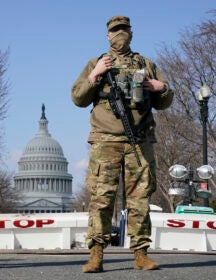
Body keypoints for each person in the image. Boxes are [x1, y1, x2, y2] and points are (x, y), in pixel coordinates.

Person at [71, 16, 173, 273]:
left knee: (140, 199)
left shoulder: (146, 64)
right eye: (115, 30)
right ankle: (96, 255)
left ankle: (141, 254)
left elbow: (164, 102)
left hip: (140, 140)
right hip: (106, 141)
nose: (120, 34)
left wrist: (161, 88)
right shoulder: (96, 63)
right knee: (101, 199)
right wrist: (95, 75)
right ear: (107, 35)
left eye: (124, 29)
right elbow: (78, 98)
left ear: (131, 32)